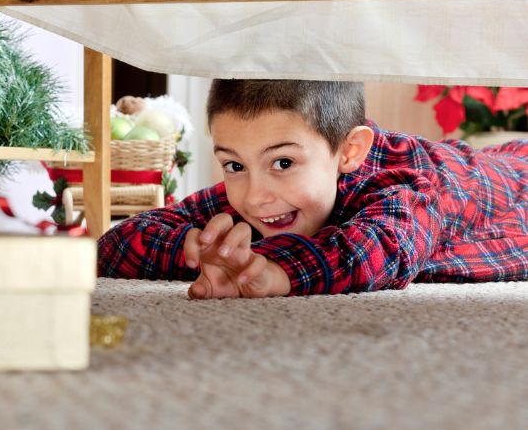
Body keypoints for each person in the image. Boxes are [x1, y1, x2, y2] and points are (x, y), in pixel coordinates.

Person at [97, 79, 528, 298]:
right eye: (234, 165)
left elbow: (376, 249)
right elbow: (116, 245)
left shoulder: (405, 187)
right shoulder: (262, 189)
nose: (254, 197)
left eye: (283, 163)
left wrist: (271, 271)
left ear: (349, 151)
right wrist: (197, 247)